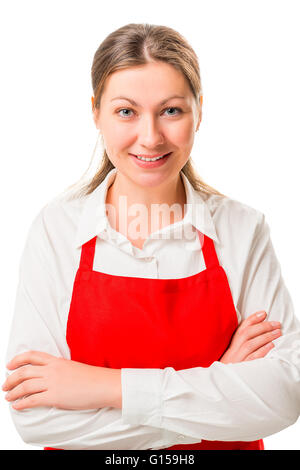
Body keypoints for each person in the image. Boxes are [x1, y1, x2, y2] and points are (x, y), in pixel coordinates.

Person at [2, 23, 300, 451]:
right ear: (95, 113)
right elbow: (35, 417)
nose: (150, 137)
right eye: (126, 111)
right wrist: (219, 395)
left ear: (200, 110)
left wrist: (104, 387)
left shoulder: (242, 230)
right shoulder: (57, 229)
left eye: (171, 111)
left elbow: (284, 395)